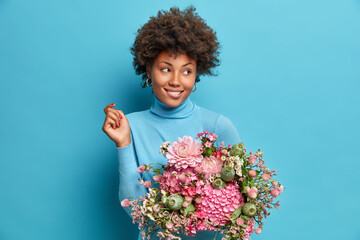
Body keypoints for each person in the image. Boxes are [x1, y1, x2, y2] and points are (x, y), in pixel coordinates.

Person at [102, 6, 241, 240]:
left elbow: (238, 202)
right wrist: (123, 142)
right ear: (148, 69)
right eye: (166, 69)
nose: (176, 81)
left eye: (186, 72)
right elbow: (132, 207)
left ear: (197, 74)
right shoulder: (131, 126)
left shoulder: (219, 125)